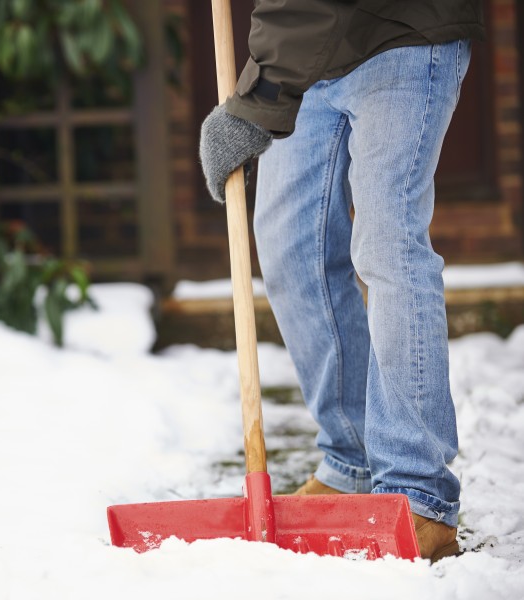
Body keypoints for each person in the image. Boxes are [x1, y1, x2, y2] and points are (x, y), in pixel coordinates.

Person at [199, 0, 484, 562]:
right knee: (288, 242)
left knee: (387, 242)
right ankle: (352, 461)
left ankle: (415, 492)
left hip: (405, 29)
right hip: (312, 56)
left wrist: (256, 101)